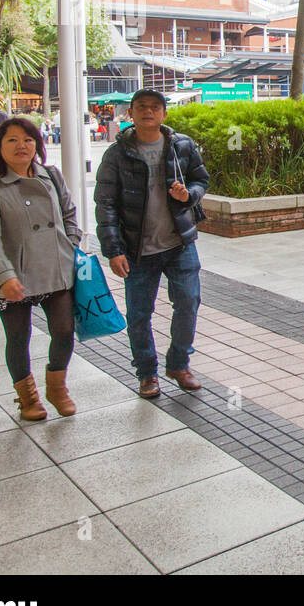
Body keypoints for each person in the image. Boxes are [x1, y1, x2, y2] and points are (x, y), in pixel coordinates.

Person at [95, 89, 210, 400]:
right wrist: (113, 250)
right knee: (139, 313)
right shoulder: (117, 155)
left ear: (164, 114)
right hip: (137, 249)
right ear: (130, 113)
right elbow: (105, 203)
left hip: (179, 242)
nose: (148, 112)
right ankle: (147, 373)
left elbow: (202, 180)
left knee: (188, 302)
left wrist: (190, 195)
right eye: (141, 107)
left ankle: (179, 363)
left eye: (155, 107)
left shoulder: (181, 145)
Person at [0, 117, 83, 419]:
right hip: (13, 275)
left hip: (55, 268)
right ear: (0, 146)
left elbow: (70, 212)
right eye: (12, 140)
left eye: (28, 139)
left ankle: (57, 387)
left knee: (64, 331)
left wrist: (69, 243)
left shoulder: (51, 175)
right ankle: (28, 398)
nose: (21, 145)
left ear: (37, 143)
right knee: (19, 337)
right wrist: (4, 275)